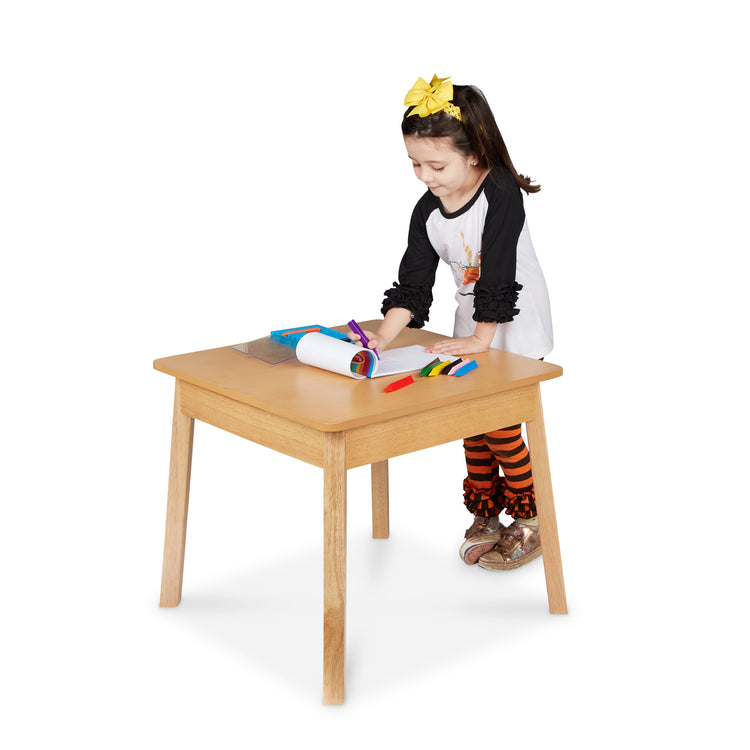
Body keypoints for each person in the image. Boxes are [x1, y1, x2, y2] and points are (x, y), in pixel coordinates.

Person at [351, 75, 554, 571]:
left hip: (513, 323)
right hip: (471, 326)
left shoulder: (500, 191)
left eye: (436, 165)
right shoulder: (427, 210)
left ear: (475, 153)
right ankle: (487, 514)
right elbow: (415, 284)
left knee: (501, 423)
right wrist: (384, 334)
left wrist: (483, 339)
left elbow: (499, 266)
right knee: (471, 425)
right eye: (415, 164)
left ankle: (531, 520)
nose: (425, 176)